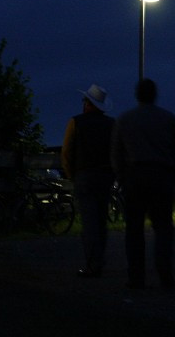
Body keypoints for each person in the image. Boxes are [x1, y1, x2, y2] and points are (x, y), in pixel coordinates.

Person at [111, 78, 175, 289]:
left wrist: (122, 176)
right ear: (155, 94)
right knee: (163, 227)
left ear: (137, 94)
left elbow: (116, 152)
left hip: (135, 174)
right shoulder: (168, 118)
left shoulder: (125, 119)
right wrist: (172, 175)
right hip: (161, 174)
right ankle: (164, 271)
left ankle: (136, 276)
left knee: (134, 228)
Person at [60, 84, 115, 278]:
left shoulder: (75, 122)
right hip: (105, 176)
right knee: (101, 221)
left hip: (84, 175)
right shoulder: (111, 124)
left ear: (88, 103)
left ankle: (92, 264)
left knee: (89, 222)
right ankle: (99, 260)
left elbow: (66, 152)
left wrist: (70, 174)